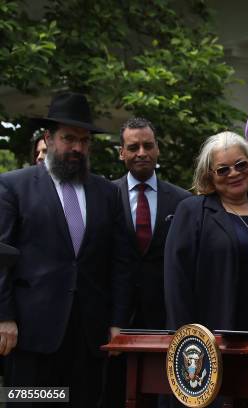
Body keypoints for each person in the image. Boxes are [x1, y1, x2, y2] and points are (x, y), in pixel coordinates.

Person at [0, 92, 132, 407]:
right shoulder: (13, 186)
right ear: (48, 137)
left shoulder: (106, 192)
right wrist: (3, 317)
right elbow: (1, 259)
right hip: (31, 335)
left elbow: (121, 262)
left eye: (84, 141)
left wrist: (117, 321)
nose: (77, 147)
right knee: (29, 403)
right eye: (68, 138)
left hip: (89, 337)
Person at [105, 118, 191, 407]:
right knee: (115, 394)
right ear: (122, 153)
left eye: (148, 145)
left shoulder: (181, 201)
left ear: (157, 149)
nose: (141, 152)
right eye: (133, 147)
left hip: (164, 319)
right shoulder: (105, 196)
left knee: (161, 395)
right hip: (115, 320)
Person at [165, 131, 248, 331]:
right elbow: (177, 281)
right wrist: (186, 337)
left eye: (241, 165)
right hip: (212, 334)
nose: (234, 173)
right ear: (209, 175)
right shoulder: (193, 211)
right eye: (223, 170)